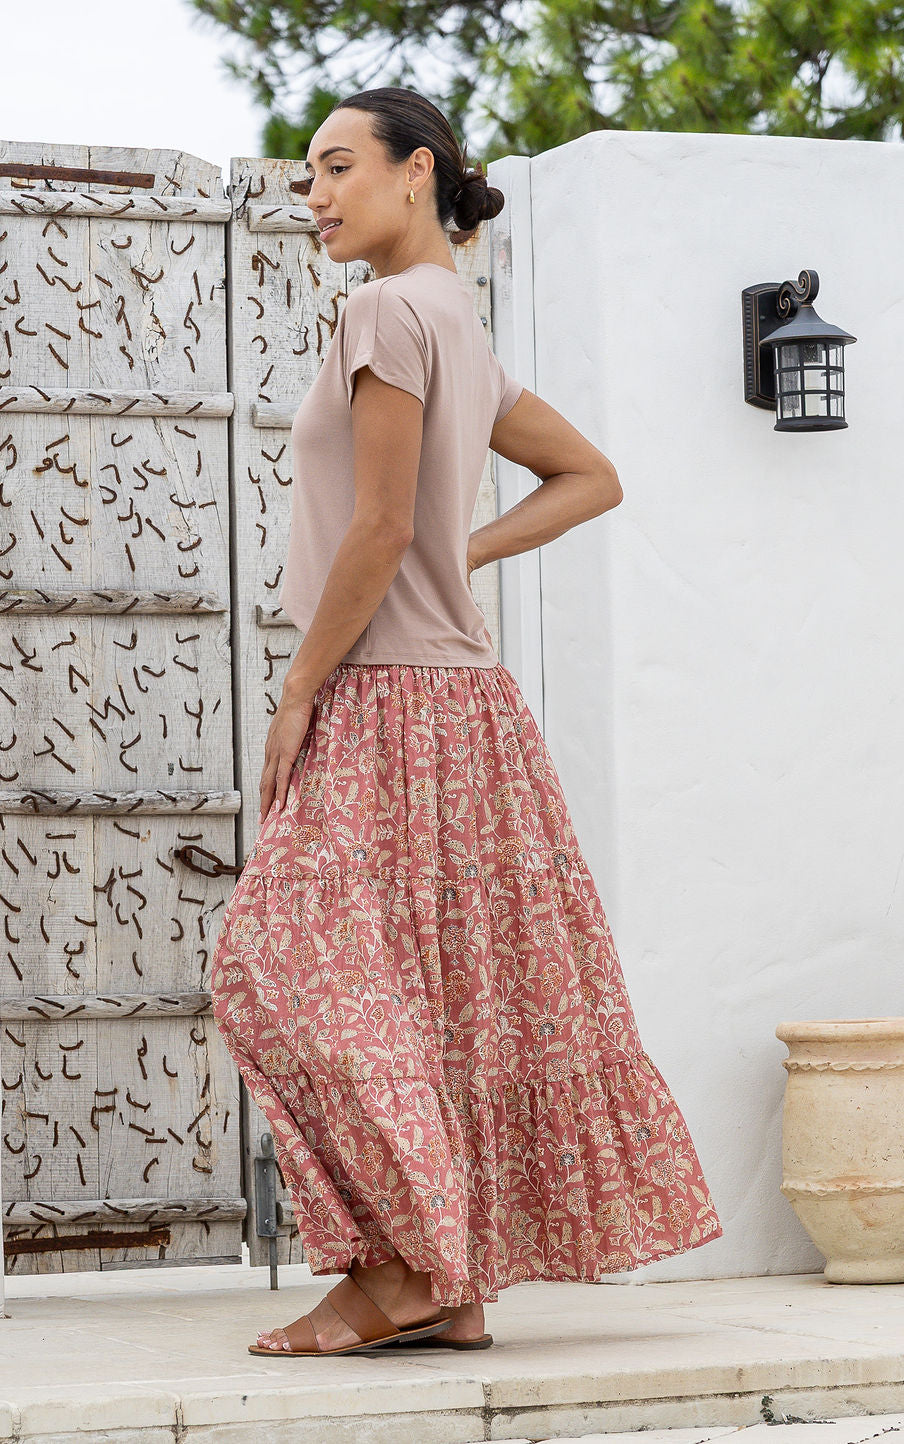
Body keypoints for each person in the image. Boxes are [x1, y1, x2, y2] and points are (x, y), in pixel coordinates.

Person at [210, 85, 722, 1359]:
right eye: (307, 173)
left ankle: (393, 1271)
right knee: (441, 992)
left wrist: (296, 693)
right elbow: (588, 479)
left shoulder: (386, 310)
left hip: (385, 697)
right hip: (467, 707)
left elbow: (383, 528)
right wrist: (461, 553)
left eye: (336, 168)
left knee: (268, 968)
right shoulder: (457, 318)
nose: (313, 194)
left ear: (417, 172)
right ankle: (454, 1279)